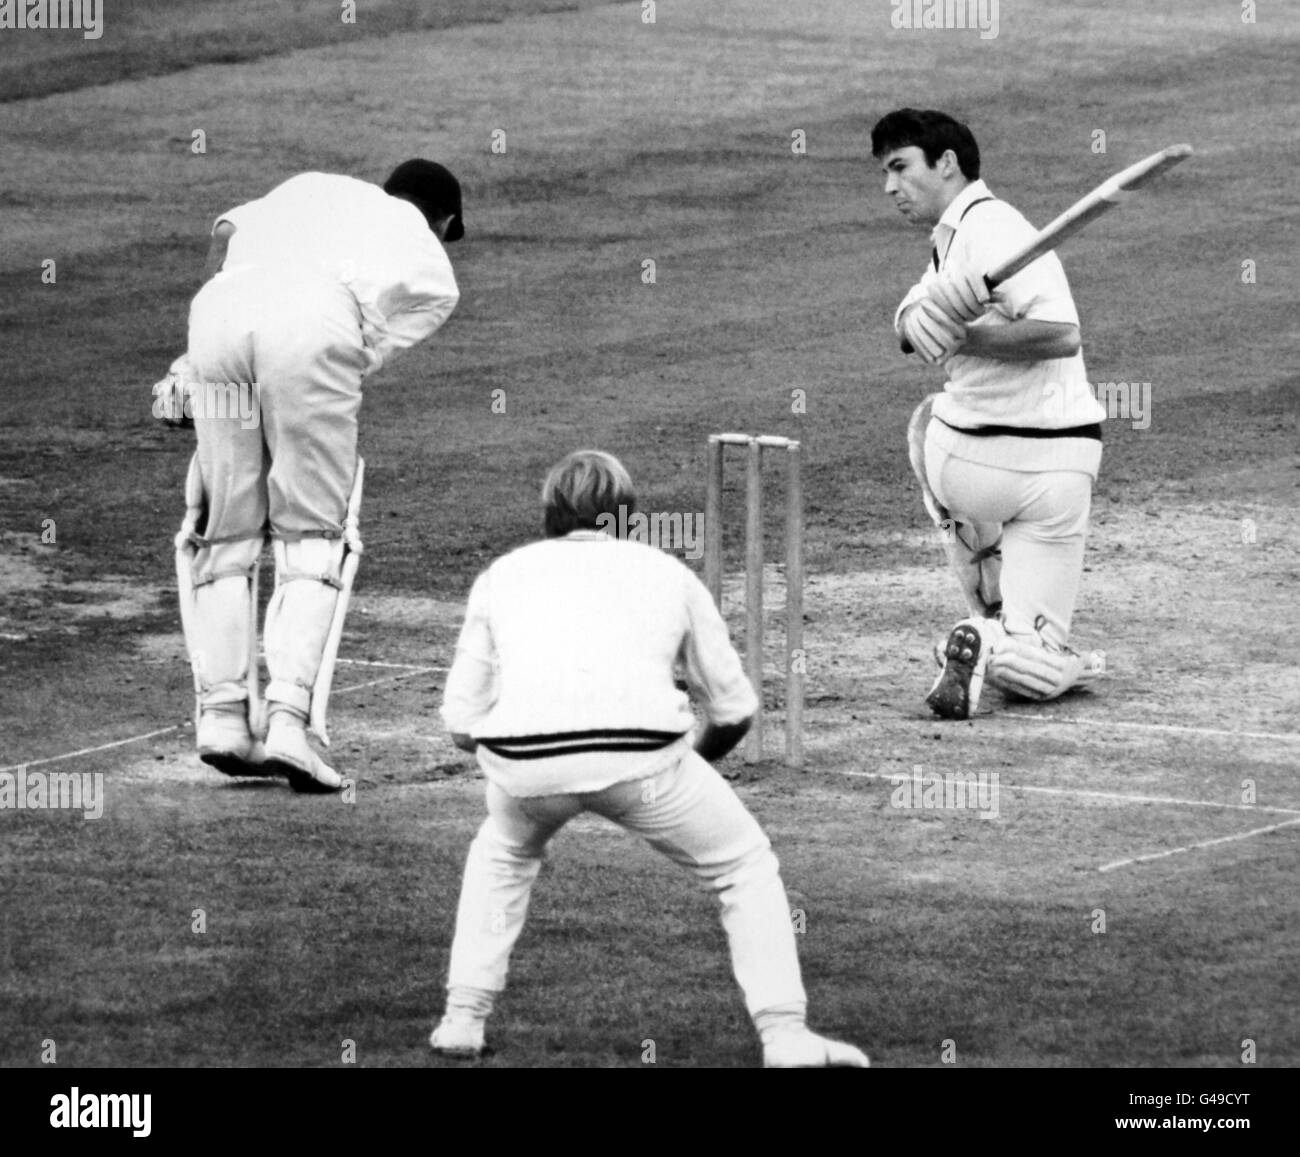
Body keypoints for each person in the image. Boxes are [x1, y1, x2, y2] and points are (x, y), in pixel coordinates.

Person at [429, 450, 869, 1068]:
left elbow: (459, 723)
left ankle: (461, 1021)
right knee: (743, 865)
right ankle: (785, 1036)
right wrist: (690, 762)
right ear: (627, 517)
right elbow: (734, 708)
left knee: (501, 854)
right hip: (646, 764)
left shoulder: (503, 573)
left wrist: (533, 753)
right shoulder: (667, 573)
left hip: (522, 766)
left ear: (548, 515)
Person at [155, 160, 463, 791]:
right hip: (312, 327)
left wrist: (190, 368)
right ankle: (291, 727)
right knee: (314, 529)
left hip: (217, 314)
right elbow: (356, 348)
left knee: (225, 524)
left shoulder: (309, 188)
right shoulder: (431, 263)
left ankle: (221, 720)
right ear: (447, 220)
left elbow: (226, 238)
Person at [871, 108, 1106, 720]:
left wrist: (963, 338)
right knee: (1044, 653)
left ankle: (985, 629)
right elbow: (915, 321)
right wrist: (919, 319)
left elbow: (1059, 334)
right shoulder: (965, 233)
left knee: (928, 418)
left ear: (946, 163)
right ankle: (1029, 643)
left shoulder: (990, 229)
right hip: (1062, 467)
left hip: (968, 464)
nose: (889, 187)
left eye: (900, 168)